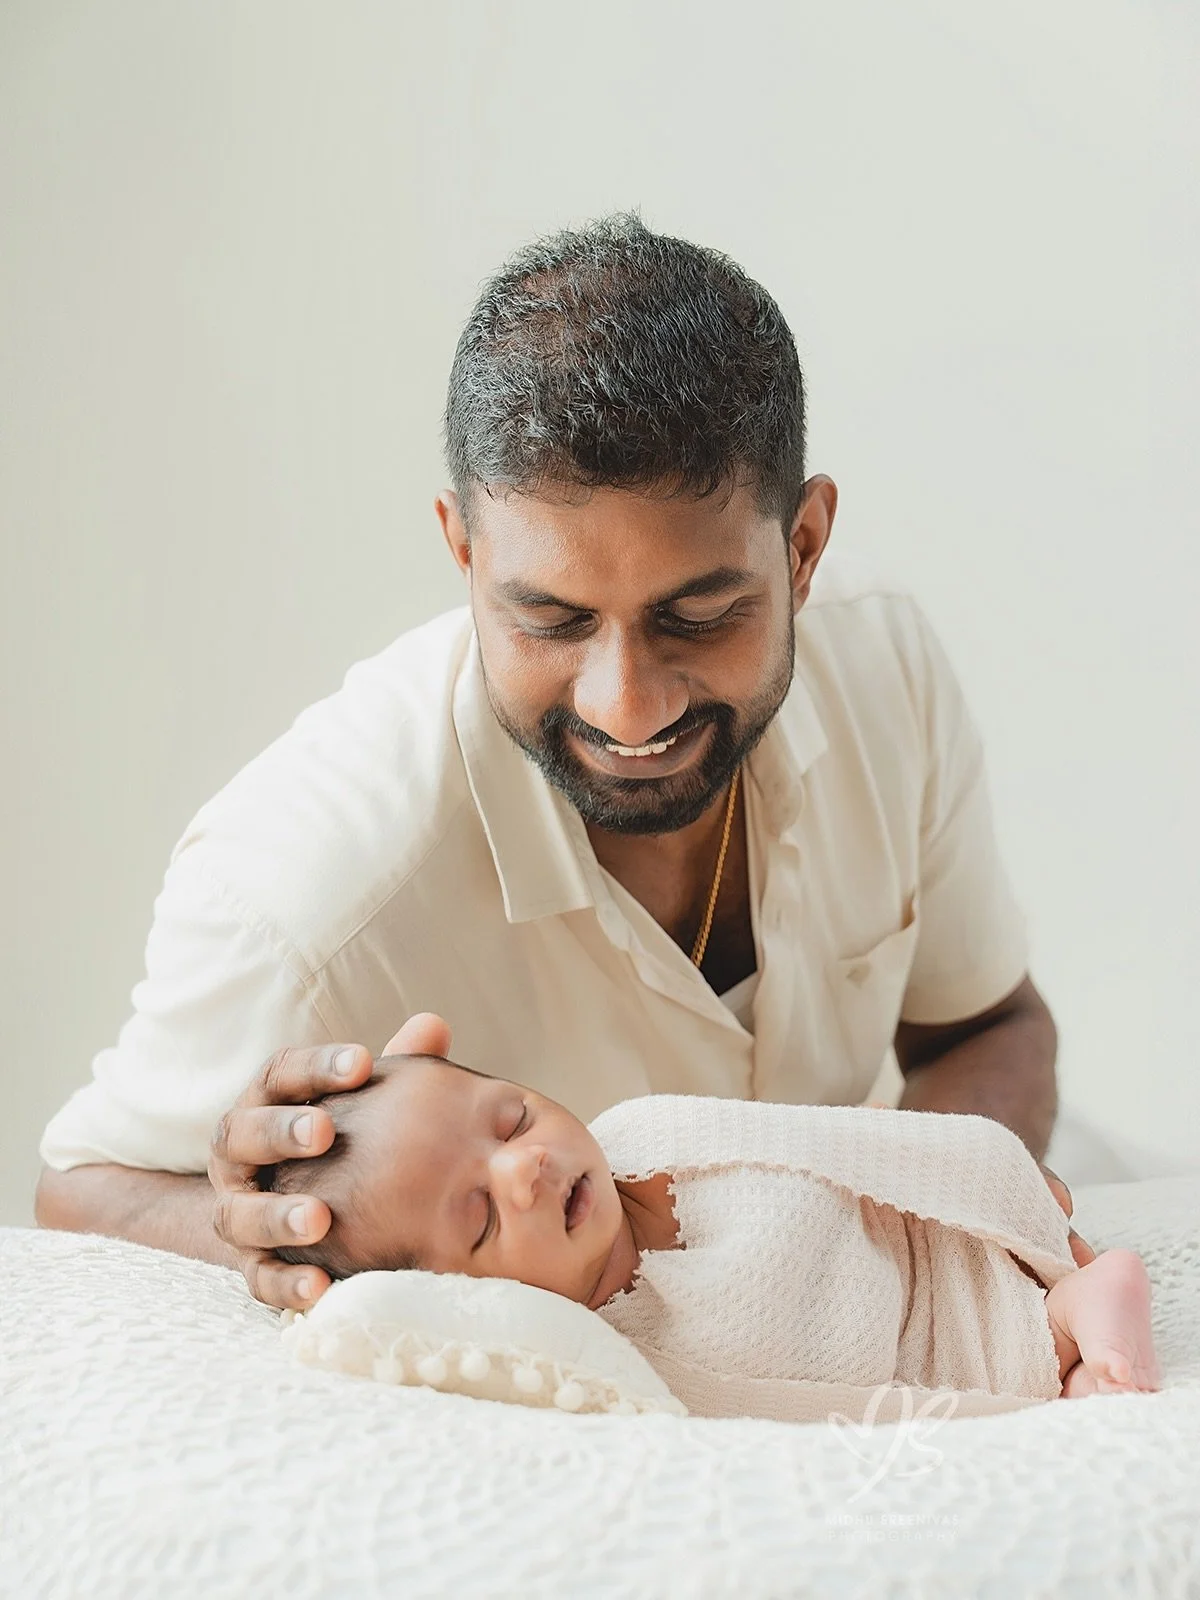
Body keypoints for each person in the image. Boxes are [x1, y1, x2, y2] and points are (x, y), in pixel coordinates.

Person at [35, 213, 1093, 1311]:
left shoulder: (886, 668)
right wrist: (270, 1230)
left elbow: (989, 1025)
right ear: (463, 550)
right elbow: (79, 1196)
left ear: (805, 547)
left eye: (699, 616)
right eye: (550, 618)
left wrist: (902, 1244)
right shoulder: (301, 898)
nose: (626, 703)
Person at [262, 1052, 1159, 1415]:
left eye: (510, 1120)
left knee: (979, 1267)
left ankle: (1070, 1297)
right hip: (914, 1334)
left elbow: (825, 1137)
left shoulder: (646, 1130)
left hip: (909, 1232)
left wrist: (981, 1174)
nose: (526, 1168)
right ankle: (1073, 1320)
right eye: (484, 1215)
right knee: (994, 1350)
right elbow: (810, 1413)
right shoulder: (603, 1351)